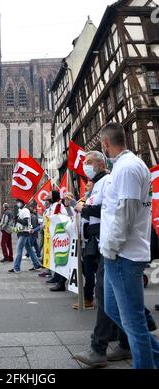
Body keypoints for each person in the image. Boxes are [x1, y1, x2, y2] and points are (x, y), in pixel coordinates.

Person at [90, 123, 158, 369]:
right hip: (116, 254)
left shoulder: (128, 168)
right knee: (113, 309)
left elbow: (126, 213)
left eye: (101, 143)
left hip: (123, 255)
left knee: (133, 321)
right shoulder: (122, 167)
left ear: (105, 143)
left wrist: (110, 248)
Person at [72, 153, 110, 310]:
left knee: (104, 281)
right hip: (92, 236)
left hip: (103, 234)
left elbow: (105, 210)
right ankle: (90, 299)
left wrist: (83, 209)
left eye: (89, 162)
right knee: (92, 272)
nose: (85, 166)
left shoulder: (106, 182)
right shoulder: (98, 185)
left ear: (101, 165)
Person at [8, 199, 41, 274]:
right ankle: (37, 265)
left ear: (22, 203)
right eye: (17, 202)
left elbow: (26, 222)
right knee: (29, 249)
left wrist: (18, 220)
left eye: (18, 202)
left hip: (24, 233)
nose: (17, 204)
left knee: (19, 249)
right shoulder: (21, 210)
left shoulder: (25, 210)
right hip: (21, 232)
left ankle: (16, 268)